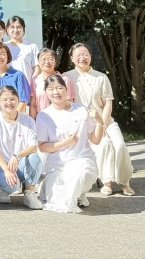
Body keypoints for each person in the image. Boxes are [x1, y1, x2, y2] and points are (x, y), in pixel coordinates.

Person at [63, 44, 134, 196]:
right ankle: (107, 182)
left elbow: (108, 103)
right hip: (83, 125)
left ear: (90, 56)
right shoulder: (67, 77)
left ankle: (124, 181)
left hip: (105, 120)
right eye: (78, 55)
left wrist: (102, 123)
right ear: (72, 58)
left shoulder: (101, 77)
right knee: (104, 144)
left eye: (85, 54)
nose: (82, 58)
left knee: (119, 145)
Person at [36, 74, 105, 212]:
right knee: (57, 199)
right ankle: (71, 191)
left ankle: (78, 192)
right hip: (58, 165)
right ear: (46, 93)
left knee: (80, 173)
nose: (56, 92)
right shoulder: (44, 115)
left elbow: (95, 140)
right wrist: (65, 143)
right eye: (51, 89)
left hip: (81, 159)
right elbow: (42, 147)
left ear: (66, 89)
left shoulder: (81, 110)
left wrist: (99, 121)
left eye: (59, 88)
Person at [0, 86, 43, 209]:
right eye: (5, 100)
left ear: (18, 100)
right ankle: (3, 187)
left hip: (18, 163)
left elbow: (33, 147)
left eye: (12, 99)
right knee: (12, 186)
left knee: (35, 158)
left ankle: (29, 194)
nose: (9, 103)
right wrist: (6, 171)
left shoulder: (28, 121)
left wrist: (16, 156)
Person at [29, 48, 75, 118]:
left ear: (55, 61)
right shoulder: (35, 80)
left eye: (50, 59)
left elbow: (70, 103)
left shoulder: (65, 80)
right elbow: (33, 105)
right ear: (38, 62)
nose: (47, 62)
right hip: (42, 118)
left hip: (61, 118)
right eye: (43, 59)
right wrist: (32, 122)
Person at [0, 42, 30, 112]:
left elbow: (23, 101)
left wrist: (13, 116)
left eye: (2, 54)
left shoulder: (18, 75)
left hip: (17, 113)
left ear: (8, 56)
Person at [5, 16, 39, 80]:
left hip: (26, 84)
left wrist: (31, 83)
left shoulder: (31, 46)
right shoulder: (3, 46)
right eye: (12, 27)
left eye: (19, 27)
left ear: (23, 29)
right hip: (7, 84)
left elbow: (37, 68)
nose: (15, 30)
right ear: (7, 29)